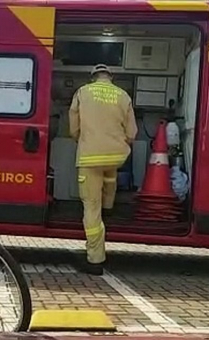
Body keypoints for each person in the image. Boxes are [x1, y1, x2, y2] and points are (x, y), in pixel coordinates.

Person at [68, 64, 138, 275]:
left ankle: (95, 259)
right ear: (111, 77)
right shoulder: (122, 95)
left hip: (90, 156)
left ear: (93, 78)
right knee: (109, 175)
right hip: (115, 156)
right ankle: (109, 205)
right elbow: (132, 132)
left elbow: (73, 126)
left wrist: (81, 138)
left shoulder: (83, 92)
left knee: (91, 207)